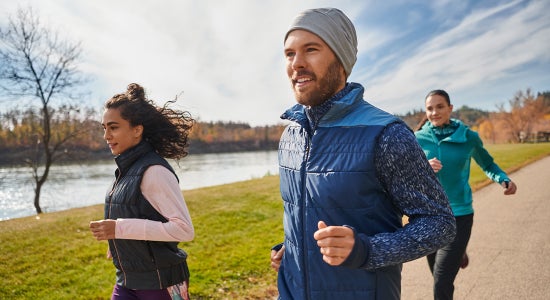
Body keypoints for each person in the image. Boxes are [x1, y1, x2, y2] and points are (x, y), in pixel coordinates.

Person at [270, 8, 457, 299]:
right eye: (289, 53)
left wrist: (367, 250)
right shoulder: (291, 135)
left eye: (311, 49)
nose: (297, 63)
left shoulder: (386, 134)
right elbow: (306, 213)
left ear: (341, 60)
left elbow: (439, 223)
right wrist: (293, 249)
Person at [89, 83, 195, 300]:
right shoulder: (125, 170)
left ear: (137, 130)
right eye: (104, 127)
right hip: (127, 279)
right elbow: (137, 214)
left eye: (114, 127)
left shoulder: (154, 171)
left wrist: (118, 229)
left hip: (161, 283)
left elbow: (184, 230)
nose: (106, 136)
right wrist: (120, 244)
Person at [414, 89, 518, 300]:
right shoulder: (416, 138)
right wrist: (422, 167)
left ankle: (456, 248)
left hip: (459, 215)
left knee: (442, 281)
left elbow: (488, 163)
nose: (434, 112)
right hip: (427, 217)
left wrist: (503, 179)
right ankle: (458, 251)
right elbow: (403, 172)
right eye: (430, 108)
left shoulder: (468, 137)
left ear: (450, 108)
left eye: (440, 106)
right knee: (436, 274)